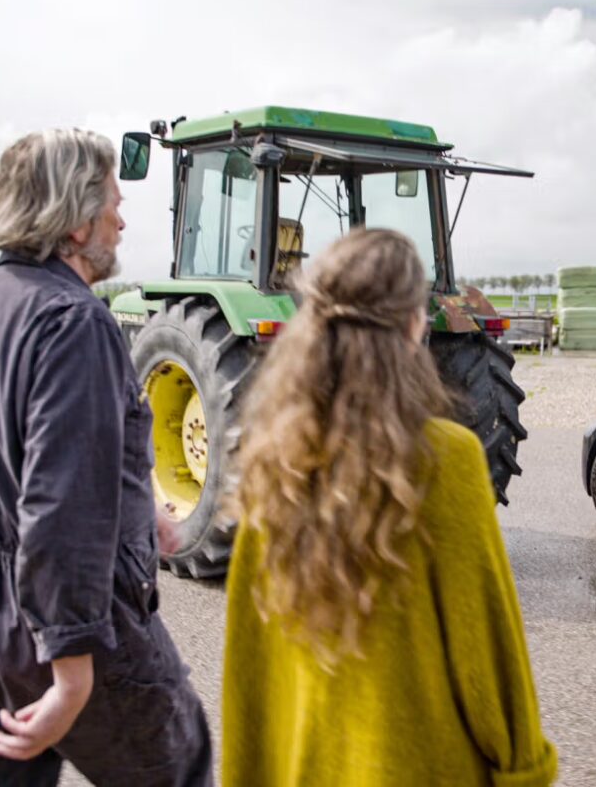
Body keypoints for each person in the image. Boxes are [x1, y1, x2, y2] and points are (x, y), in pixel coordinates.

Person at [0, 129, 213, 785]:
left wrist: (137, 510)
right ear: (78, 223)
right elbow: (61, 508)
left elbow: (5, 457)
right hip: (66, 621)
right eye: (112, 203)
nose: (121, 221)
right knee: (177, 765)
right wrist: (72, 669)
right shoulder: (73, 321)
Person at [221, 228, 558, 786]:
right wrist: (525, 769)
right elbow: (488, 656)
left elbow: (247, 677)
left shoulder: (274, 466)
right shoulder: (446, 461)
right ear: (412, 326)